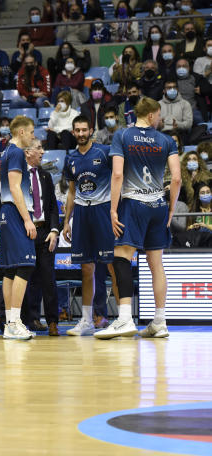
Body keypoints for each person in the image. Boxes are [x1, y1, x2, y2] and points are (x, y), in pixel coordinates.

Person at [99, 97, 181, 339]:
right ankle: (160, 322)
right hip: (158, 205)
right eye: (160, 115)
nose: (161, 119)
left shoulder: (122, 136)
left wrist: (113, 209)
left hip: (133, 203)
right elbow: (176, 178)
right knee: (156, 265)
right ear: (152, 115)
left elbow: (116, 174)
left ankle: (124, 319)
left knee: (121, 257)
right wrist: (172, 209)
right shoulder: (166, 140)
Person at [63, 116, 121, 336]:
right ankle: (86, 320)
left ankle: (122, 318)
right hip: (82, 213)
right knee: (86, 269)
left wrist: (116, 211)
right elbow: (71, 191)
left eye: (84, 130)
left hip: (103, 211)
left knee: (113, 266)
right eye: (77, 130)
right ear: (73, 132)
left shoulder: (104, 152)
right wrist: (66, 221)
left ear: (91, 130)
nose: (80, 133)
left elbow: (118, 178)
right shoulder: (70, 158)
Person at [0, 115, 37, 339]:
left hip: (9, 212)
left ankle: (10, 323)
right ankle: (13, 321)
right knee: (24, 265)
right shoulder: (14, 153)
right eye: (31, 132)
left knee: (12, 268)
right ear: (21, 132)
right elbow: (14, 188)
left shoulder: (8, 152)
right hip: (14, 212)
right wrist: (27, 219)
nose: (33, 136)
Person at [17, 139, 61, 336]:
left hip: (44, 231)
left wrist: (54, 230)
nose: (43, 152)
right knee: (25, 277)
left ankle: (53, 321)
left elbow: (52, 206)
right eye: (39, 148)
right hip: (24, 231)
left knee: (48, 277)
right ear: (27, 152)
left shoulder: (45, 175)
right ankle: (28, 319)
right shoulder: (16, 175)